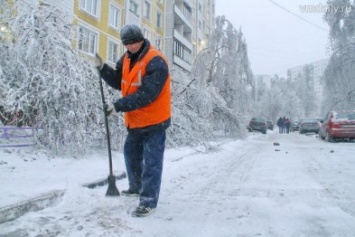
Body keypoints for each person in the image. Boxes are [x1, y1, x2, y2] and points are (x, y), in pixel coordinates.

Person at [94, 24, 171, 217]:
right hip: (135, 122)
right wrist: (103, 69)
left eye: (134, 43)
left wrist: (118, 106)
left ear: (141, 40)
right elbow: (118, 80)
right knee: (131, 156)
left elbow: (148, 94)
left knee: (152, 163)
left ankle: (148, 201)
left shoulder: (156, 61)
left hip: (155, 122)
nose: (131, 47)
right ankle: (135, 187)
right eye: (127, 44)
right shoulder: (127, 58)